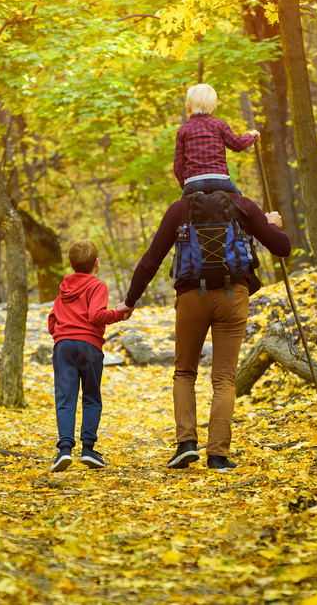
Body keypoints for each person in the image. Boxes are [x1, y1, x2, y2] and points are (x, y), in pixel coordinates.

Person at [117, 194, 290, 472]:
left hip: (191, 298)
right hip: (233, 296)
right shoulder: (242, 205)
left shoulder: (179, 209)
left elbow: (152, 259)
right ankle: (218, 455)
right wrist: (272, 226)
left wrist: (130, 301)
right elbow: (282, 248)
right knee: (224, 379)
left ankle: (186, 444)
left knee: (185, 372)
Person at [47, 239, 129, 472]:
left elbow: (52, 320)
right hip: (89, 346)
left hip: (63, 347)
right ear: (97, 263)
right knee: (91, 396)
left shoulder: (63, 288)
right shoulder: (97, 286)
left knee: (66, 398)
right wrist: (119, 314)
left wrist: (60, 335)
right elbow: (96, 315)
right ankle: (88, 450)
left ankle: (64, 450)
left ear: (72, 265)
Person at [175, 83, 260, 197]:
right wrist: (250, 135)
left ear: (188, 106)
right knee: (243, 204)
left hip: (194, 182)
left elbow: (178, 164)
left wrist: (185, 184)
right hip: (220, 180)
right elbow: (237, 145)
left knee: (181, 211)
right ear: (214, 108)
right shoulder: (220, 125)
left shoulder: (183, 130)